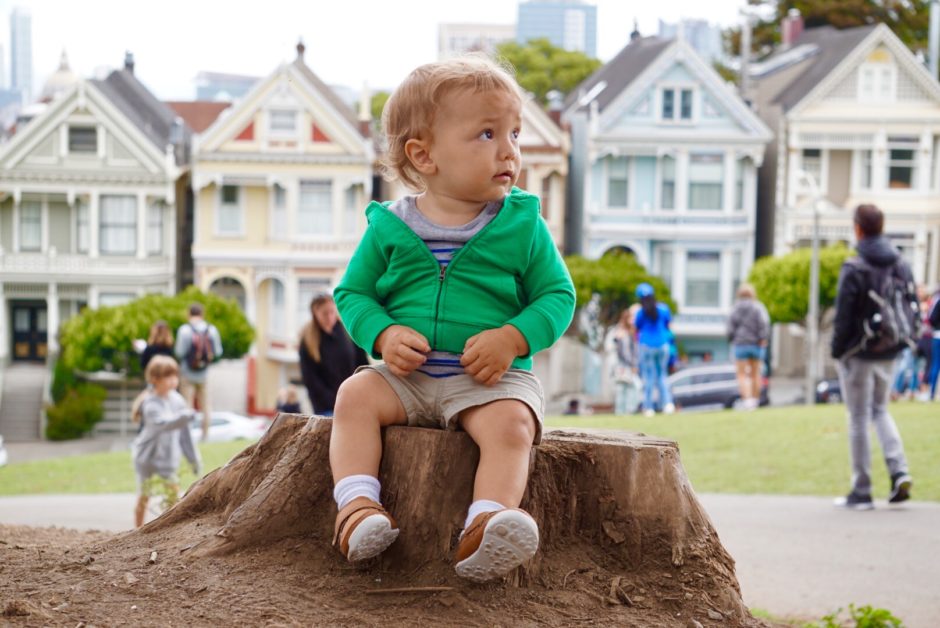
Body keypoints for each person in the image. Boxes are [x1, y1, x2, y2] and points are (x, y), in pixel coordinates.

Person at [329, 55, 575, 582]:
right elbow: (352, 294)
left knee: (513, 425)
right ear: (424, 155)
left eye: (514, 132)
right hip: (406, 380)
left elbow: (557, 296)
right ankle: (356, 507)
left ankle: (487, 521)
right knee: (353, 398)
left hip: (486, 383)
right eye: (487, 134)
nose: (509, 149)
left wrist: (513, 338)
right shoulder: (389, 227)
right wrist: (384, 332)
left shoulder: (522, 225)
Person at [830, 204, 914, 510]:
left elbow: (844, 317)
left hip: (859, 352)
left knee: (858, 417)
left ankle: (862, 490)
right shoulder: (901, 264)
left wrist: (837, 352)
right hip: (890, 348)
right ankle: (899, 469)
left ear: (858, 228)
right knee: (880, 410)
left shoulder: (854, 267)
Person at [130, 355, 201, 527]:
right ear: (155, 379)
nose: (173, 380)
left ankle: (170, 531)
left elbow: (185, 435)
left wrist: (193, 459)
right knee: (144, 495)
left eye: (175, 376)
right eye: (168, 376)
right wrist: (185, 416)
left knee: (174, 497)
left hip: (168, 458)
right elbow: (163, 424)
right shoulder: (149, 403)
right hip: (147, 458)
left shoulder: (177, 400)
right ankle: (137, 531)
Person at [298, 294, 369, 416]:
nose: (330, 317)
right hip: (326, 407)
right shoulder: (307, 341)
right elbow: (310, 379)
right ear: (315, 314)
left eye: (332, 311)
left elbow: (362, 363)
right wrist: (335, 400)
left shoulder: (347, 332)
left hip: (353, 400)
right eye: (325, 313)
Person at [174, 303, 223, 442]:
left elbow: (179, 351)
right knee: (206, 406)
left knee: (187, 405)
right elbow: (218, 351)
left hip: (187, 373)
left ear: (189, 313)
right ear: (202, 314)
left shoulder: (184, 330)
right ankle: (205, 436)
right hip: (204, 374)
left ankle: (187, 435)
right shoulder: (211, 329)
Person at [726, 283, 770, 410]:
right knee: (756, 373)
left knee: (741, 374)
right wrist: (763, 338)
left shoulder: (735, 308)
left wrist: (732, 339)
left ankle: (747, 401)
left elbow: (730, 327)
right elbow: (764, 323)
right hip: (756, 344)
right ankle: (755, 400)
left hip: (740, 344)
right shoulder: (758, 307)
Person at [633, 283, 675, 417]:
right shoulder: (663, 309)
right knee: (662, 375)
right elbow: (669, 325)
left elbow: (637, 328)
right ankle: (667, 404)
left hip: (646, 346)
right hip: (663, 345)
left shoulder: (640, 312)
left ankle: (648, 407)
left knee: (648, 377)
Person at [607, 306, 640, 415]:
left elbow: (633, 350)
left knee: (632, 387)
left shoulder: (632, 332)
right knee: (622, 388)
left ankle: (628, 411)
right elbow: (617, 349)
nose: (633, 320)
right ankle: (620, 412)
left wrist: (634, 364)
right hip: (621, 365)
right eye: (631, 318)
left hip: (628, 365)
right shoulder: (619, 331)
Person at [926, 286, 940, 400]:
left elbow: (931, 318)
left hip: (938, 335)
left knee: (935, 364)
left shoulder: (938, 300)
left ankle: (931, 393)